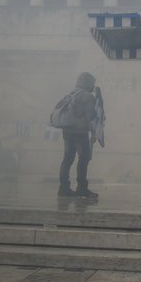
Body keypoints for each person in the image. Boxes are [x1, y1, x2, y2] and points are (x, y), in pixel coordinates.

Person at [58, 71, 99, 199]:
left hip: (67, 131)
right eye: (92, 83)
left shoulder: (72, 93)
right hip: (80, 133)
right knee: (83, 159)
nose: (93, 86)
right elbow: (89, 118)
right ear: (88, 83)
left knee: (67, 159)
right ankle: (82, 188)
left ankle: (64, 188)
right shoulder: (88, 97)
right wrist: (94, 133)